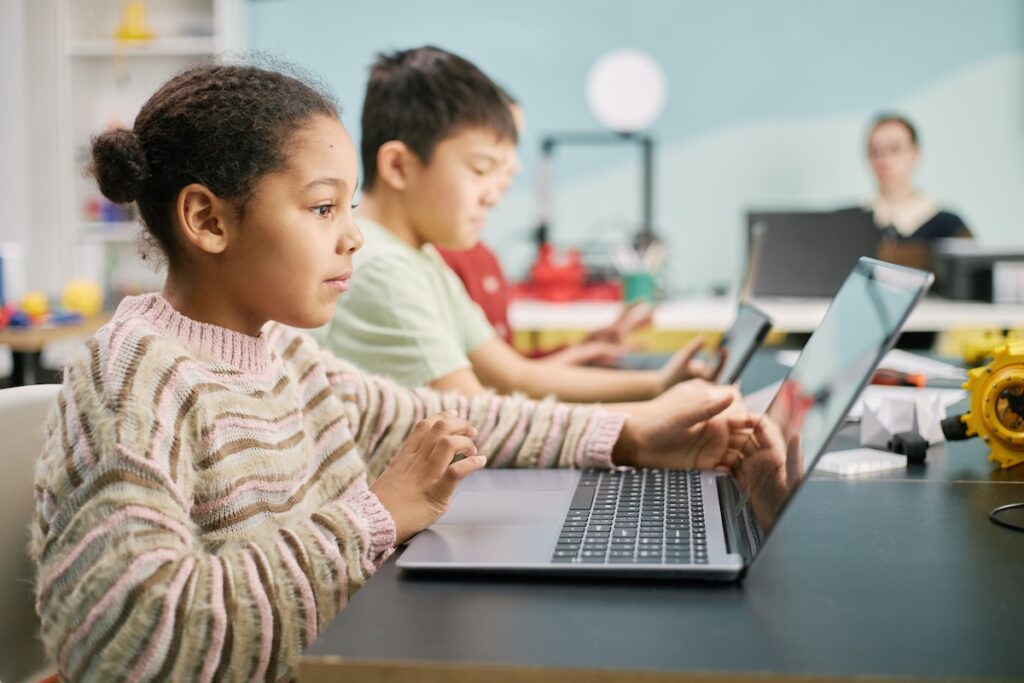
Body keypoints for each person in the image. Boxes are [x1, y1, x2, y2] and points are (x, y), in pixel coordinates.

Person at [31, 63, 770, 680]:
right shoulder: (136, 379)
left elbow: (448, 419)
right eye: (322, 208)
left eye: (348, 206)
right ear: (209, 220)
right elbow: (123, 641)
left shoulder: (283, 352)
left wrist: (632, 436)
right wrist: (374, 515)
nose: (354, 234)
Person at [312, 46, 711, 402]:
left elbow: (516, 375)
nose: (493, 194)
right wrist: (645, 429)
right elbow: (481, 417)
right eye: (481, 169)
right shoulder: (383, 267)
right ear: (399, 166)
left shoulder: (423, 258)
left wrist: (658, 386)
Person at [435, 99, 651, 367]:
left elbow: (511, 368)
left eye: (515, 147)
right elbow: (502, 381)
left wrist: (583, 350)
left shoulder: (482, 255)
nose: (514, 165)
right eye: (501, 146)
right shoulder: (438, 259)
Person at [866, 113, 973, 242]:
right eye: (875, 151)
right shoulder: (850, 225)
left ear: (915, 153)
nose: (885, 160)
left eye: (895, 149)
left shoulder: (949, 226)